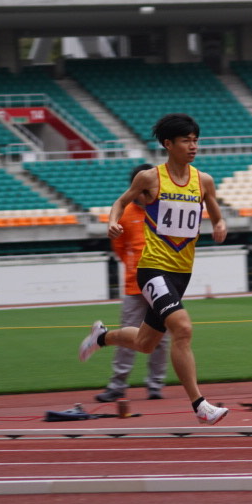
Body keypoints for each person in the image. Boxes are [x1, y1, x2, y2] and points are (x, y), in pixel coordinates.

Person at [76, 114, 231, 424]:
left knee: (146, 343)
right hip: (153, 268)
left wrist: (220, 224)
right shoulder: (150, 178)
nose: (193, 146)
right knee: (183, 329)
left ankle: (102, 336)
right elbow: (121, 203)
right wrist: (112, 221)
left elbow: (216, 214)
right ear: (168, 144)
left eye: (195, 140)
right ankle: (200, 405)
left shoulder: (204, 181)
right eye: (186, 140)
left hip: (181, 272)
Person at [94, 163, 168, 403]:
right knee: (127, 337)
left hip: (162, 286)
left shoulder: (165, 211)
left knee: (161, 339)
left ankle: (155, 385)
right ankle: (117, 386)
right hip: (134, 286)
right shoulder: (124, 214)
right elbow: (118, 247)